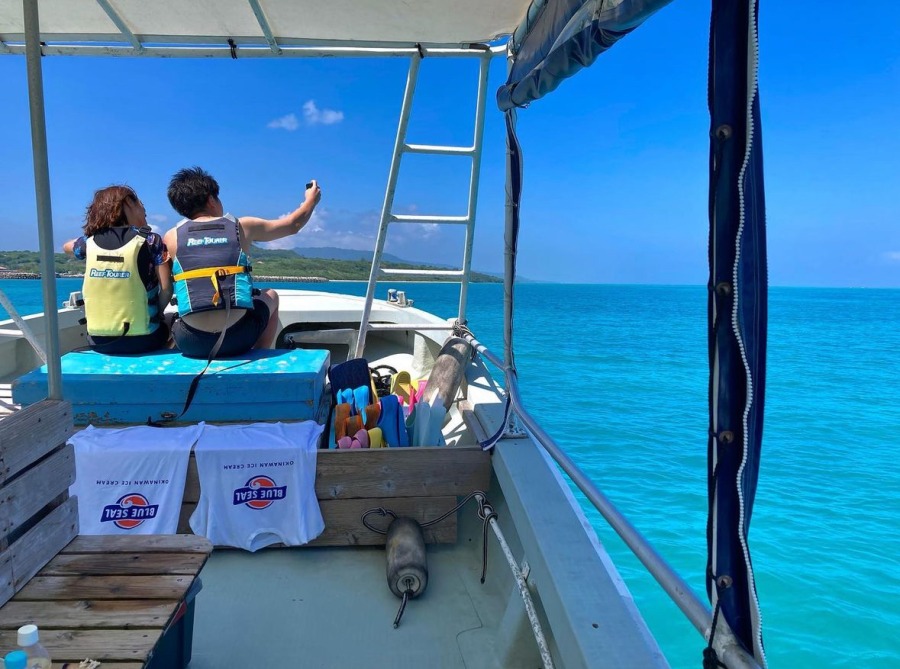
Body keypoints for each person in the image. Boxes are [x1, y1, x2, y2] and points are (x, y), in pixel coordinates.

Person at [164, 167, 321, 359]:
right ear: (211, 200)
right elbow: (293, 225)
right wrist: (310, 200)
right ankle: (260, 355)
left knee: (171, 318)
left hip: (191, 342)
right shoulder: (241, 227)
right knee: (271, 295)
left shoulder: (171, 237)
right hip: (239, 339)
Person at [63, 185, 172, 353]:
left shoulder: (87, 243)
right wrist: (158, 313)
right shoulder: (151, 240)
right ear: (128, 203)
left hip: (99, 342)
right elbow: (166, 290)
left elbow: (66, 247)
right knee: (171, 324)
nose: (144, 211)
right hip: (145, 339)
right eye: (141, 205)